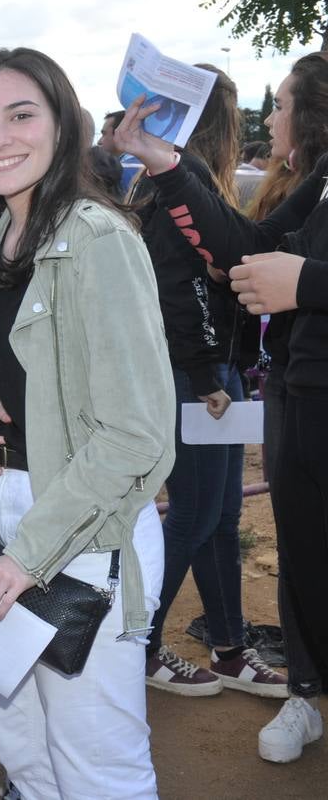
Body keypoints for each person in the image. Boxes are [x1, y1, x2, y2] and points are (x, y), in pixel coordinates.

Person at [0, 47, 172, 799]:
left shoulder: (98, 238)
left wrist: (27, 556)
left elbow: (136, 433)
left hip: (85, 533)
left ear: (62, 127)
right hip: (15, 509)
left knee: (96, 766)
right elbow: (40, 370)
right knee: (29, 755)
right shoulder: (4, 235)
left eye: (20, 116)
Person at [110, 50, 328, 764]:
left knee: (217, 516)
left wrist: (311, 283)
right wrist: (165, 165)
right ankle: (298, 686)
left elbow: (277, 269)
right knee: (273, 540)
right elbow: (245, 249)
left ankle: (233, 652)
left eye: (285, 104)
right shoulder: (315, 179)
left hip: (255, 384)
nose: (274, 118)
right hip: (278, 395)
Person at [120, 64, 288, 700]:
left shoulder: (195, 192)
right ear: (217, 125)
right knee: (192, 515)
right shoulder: (172, 196)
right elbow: (174, 296)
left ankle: (229, 647)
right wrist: (205, 375)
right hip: (194, 376)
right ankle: (137, 645)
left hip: (214, 372)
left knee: (219, 514)